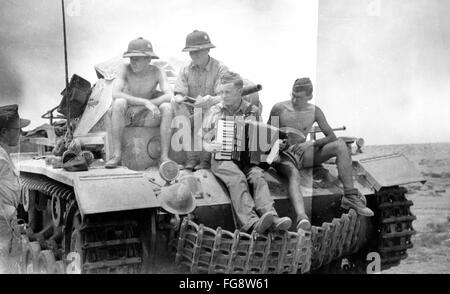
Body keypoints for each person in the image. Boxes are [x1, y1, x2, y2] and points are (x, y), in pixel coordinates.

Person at [268, 78, 374, 230]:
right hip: (284, 155)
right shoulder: (279, 109)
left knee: (340, 146)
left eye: (299, 97)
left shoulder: (314, 111)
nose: (294, 99)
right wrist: (278, 142)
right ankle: (301, 217)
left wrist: (311, 143)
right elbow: (266, 136)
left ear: (309, 97)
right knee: (293, 174)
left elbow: (332, 137)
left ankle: (350, 196)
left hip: (304, 153)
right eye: (293, 94)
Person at [201, 72, 292, 234]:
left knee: (258, 175)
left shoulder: (252, 110)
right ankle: (252, 223)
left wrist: (277, 143)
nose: (223, 96)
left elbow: (263, 138)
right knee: (237, 178)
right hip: (223, 159)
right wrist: (210, 146)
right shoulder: (215, 111)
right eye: (221, 92)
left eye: (227, 92)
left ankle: (272, 217)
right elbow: (202, 138)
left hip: (249, 159)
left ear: (239, 91)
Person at [105, 37, 174, 169]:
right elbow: (116, 93)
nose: (133, 62)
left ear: (148, 59)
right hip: (126, 114)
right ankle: (117, 155)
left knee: (167, 107)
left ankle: (164, 156)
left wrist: (147, 104)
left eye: (137, 58)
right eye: (131, 58)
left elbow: (169, 95)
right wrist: (144, 102)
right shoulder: (125, 69)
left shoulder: (157, 72)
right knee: (119, 103)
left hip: (146, 114)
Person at [172, 30, 229, 171]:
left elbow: (225, 96)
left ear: (208, 49)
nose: (194, 55)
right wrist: (180, 99)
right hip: (192, 113)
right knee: (174, 104)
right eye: (191, 52)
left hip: (212, 112)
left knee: (217, 108)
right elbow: (179, 93)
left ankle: (205, 160)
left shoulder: (220, 68)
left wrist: (211, 100)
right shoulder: (185, 69)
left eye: (198, 51)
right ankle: (191, 158)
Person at [0, 104, 30, 270]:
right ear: (4, 132)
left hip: (7, 223)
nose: (21, 133)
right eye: (17, 129)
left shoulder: (4, 155)